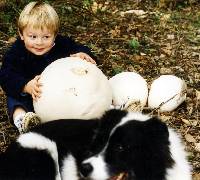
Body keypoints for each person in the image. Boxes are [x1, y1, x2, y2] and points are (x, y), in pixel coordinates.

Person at [0, 1, 97, 134]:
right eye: (33, 36)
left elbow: (79, 47)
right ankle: (23, 121)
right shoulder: (16, 53)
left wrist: (83, 54)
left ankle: (103, 110)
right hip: (32, 95)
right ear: (21, 34)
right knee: (14, 100)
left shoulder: (62, 44)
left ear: (55, 35)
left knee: (86, 91)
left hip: (62, 94)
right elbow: (6, 75)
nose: (39, 42)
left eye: (46, 37)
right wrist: (25, 86)